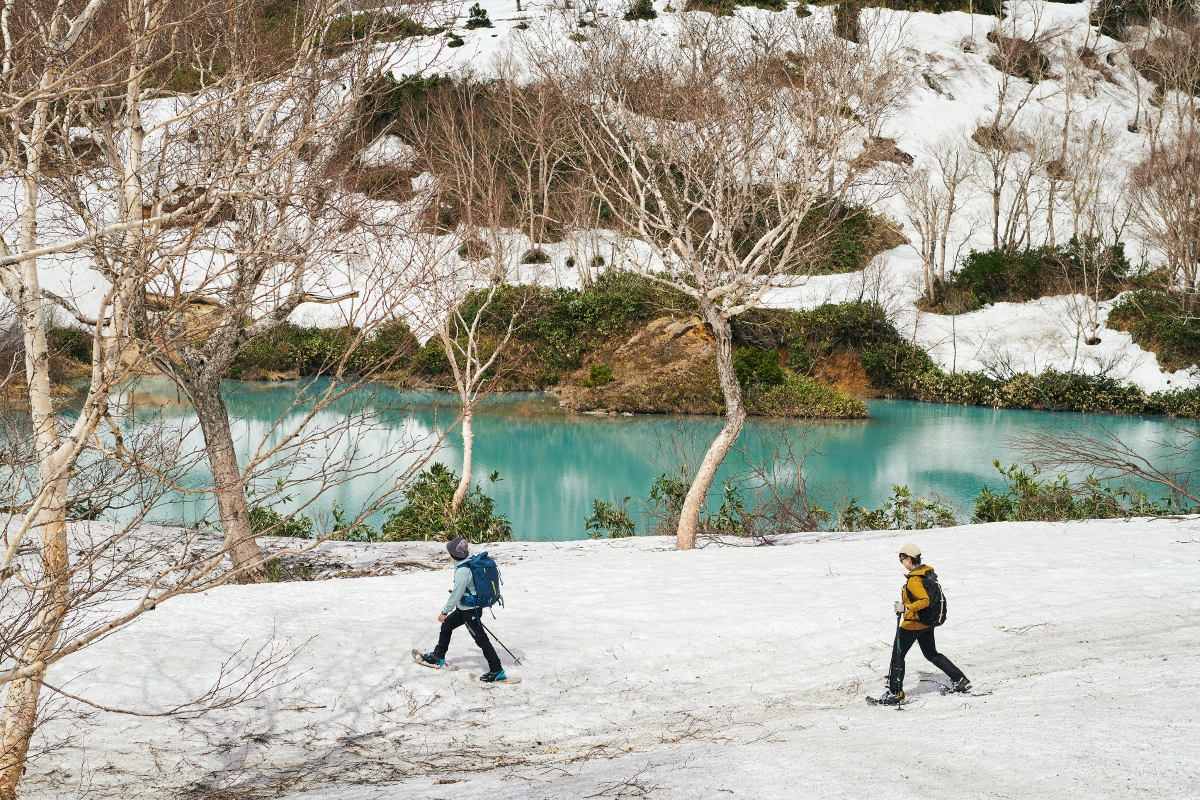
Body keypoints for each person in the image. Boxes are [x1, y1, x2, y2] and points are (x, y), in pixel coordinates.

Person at [877, 542, 970, 705]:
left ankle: (895, 692)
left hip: (913, 624)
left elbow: (925, 600)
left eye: (902, 559)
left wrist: (906, 608)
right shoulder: (926, 573)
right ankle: (960, 679)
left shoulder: (914, 580)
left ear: (909, 558)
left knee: (898, 655)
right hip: (926, 623)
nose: (901, 562)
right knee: (931, 654)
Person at [417, 536, 506, 682]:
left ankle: (497, 670)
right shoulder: (468, 561)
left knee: (481, 640)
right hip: (465, 609)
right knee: (447, 627)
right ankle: (438, 656)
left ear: (454, 554)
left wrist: (444, 612)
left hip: (470, 611)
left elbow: (456, 594)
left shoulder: (462, 571)